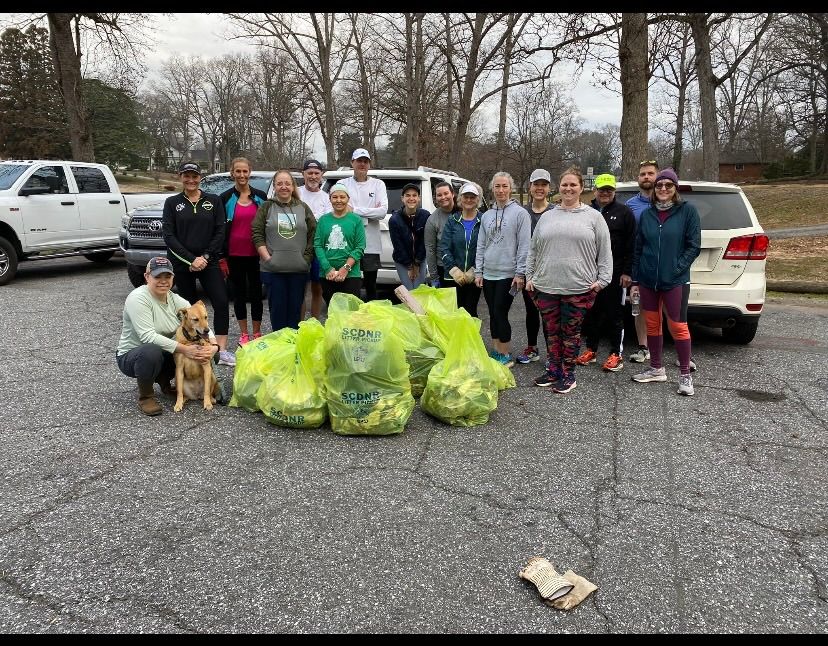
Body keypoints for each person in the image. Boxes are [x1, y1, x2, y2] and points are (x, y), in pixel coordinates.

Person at [526, 167, 612, 394]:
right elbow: (533, 250)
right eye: (564, 184)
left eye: (573, 184)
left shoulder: (594, 217)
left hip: (578, 286)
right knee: (551, 332)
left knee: (571, 334)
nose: (568, 188)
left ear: (582, 188)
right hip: (546, 285)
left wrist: (603, 280)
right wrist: (529, 276)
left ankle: (568, 374)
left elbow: (604, 252)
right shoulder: (547, 216)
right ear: (559, 187)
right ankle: (553, 370)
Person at [630, 167, 701, 396]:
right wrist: (636, 279)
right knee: (652, 324)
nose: (662, 189)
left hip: (675, 281)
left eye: (668, 185)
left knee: (678, 326)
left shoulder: (687, 211)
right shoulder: (648, 214)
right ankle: (656, 369)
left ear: (675, 188)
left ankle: (685, 375)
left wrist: (676, 269)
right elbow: (639, 248)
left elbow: (693, 246)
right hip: (649, 280)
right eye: (659, 185)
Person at [116, 256, 217, 416]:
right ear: (147, 277)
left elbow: (198, 319)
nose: (163, 281)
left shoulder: (174, 298)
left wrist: (213, 346)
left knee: (207, 354)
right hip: (133, 355)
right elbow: (147, 336)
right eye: (157, 276)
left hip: (164, 350)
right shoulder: (138, 298)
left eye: (167, 276)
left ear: (172, 278)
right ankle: (146, 397)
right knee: (151, 352)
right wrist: (185, 349)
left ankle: (165, 383)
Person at [161, 161, 234, 366]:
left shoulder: (213, 201)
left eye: (194, 176)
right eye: (187, 176)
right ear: (180, 177)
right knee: (188, 307)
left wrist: (205, 257)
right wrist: (191, 259)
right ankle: (193, 349)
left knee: (220, 301)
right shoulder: (172, 202)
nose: (191, 180)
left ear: (200, 177)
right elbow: (169, 236)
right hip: (183, 263)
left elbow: (220, 231)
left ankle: (220, 350)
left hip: (208, 261)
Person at [576, 173, 636, 372]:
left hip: (615, 272)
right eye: (602, 189)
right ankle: (591, 350)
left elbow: (632, 245)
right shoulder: (586, 211)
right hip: (588, 272)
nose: (605, 193)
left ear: (614, 191)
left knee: (614, 314)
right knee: (591, 313)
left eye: (609, 190)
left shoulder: (624, 213)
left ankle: (615, 353)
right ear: (595, 191)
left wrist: (627, 272)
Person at [474, 171, 531, 368]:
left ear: (511, 188)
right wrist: (478, 271)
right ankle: (496, 349)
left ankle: (505, 354)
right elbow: (481, 244)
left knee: (500, 312)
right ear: (492, 189)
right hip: (488, 272)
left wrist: (520, 273)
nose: (501, 190)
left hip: (508, 273)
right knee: (492, 312)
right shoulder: (487, 215)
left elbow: (525, 244)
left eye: (504, 186)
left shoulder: (520, 214)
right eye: (497, 186)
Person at [252, 169, 316, 331]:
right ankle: (280, 349)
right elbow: (257, 233)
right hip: (273, 270)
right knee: (277, 312)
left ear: (293, 186)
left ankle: (293, 348)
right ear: (274, 186)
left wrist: (306, 259)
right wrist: (268, 258)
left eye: (287, 183)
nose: (284, 187)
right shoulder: (267, 207)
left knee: (295, 313)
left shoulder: (303, 207)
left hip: (298, 270)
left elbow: (313, 234)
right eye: (279, 183)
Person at [219, 157, 268, 348]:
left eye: (244, 171)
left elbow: (267, 225)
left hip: (257, 255)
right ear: (232, 173)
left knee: (256, 295)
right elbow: (220, 229)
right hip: (234, 255)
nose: (241, 175)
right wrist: (221, 256)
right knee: (238, 295)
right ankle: (244, 334)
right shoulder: (224, 198)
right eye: (237, 171)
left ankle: (256, 332)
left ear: (250, 172)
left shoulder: (260, 197)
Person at [515, 169, 555, 365]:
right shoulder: (522, 212)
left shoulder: (556, 211)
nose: (539, 188)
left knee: (549, 314)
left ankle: (552, 354)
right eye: (536, 184)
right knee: (531, 312)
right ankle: (532, 348)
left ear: (549, 188)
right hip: (528, 271)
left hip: (550, 271)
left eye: (543, 185)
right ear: (529, 187)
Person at [341, 148, 388, 301]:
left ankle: (371, 317)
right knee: (349, 283)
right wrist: (370, 211)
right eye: (359, 161)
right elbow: (340, 208)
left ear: (369, 164)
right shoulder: (343, 183)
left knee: (370, 284)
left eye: (365, 161)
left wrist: (354, 209)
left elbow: (381, 212)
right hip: (348, 242)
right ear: (352, 163)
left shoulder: (378, 184)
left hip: (370, 243)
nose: (362, 164)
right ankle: (349, 316)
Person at [624, 160, 658, 365]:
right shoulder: (630, 205)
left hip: (664, 266)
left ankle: (682, 351)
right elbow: (628, 239)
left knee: (669, 311)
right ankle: (643, 347)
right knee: (640, 307)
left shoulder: (667, 201)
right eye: (643, 174)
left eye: (650, 173)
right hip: (639, 267)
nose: (646, 177)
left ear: (658, 176)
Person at [313, 183, 366, 304]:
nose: (339, 200)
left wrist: (345, 269)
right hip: (327, 274)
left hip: (351, 274)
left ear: (348, 199)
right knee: (332, 312)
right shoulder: (323, 220)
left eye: (342, 197)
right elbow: (318, 245)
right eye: (335, 197)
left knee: (350, 313)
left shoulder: (356, 220)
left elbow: (359, 247)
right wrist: (327, 268)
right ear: (330, 199)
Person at [439, 182, 484, 317]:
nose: (469, 200)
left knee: (470, 313)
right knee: (454, 315)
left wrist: (474, 270)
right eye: (466, 196)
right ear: (460, 199)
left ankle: (470, 338)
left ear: (478, 199)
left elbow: (487, 248)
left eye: (472, 197)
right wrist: (454, 270)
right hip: (452, 277)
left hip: (474, 277)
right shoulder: (453, 220)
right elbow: (444, 247)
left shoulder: (484, 220)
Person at [298, 159, 332, 320]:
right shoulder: (296, 193)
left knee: (317, 288)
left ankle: (315, 323)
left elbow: (325, 222)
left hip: (319, 248)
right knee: (301, 288)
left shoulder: (327, 198)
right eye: (309, 173)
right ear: (303, 174)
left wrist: (308, 217)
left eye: (316, 173)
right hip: (299, 247)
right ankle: (300, 326)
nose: (313, 177)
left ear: (321, 175)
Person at [389, 182, 429, 290]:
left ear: (419, 198)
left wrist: (416, 264)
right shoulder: (394, 220)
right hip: (402, 260)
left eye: (414, 195)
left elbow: (424, 242)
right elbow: (398, 246)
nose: (411, 198)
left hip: (420, 259)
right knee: (409, 290)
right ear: (402, 198)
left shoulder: (425, 216)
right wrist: (409, 266)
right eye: (407, 195)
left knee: (419, 289)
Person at [425, 181, 458, 287]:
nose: (443, 197)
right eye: (439, 195)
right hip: (444, 269)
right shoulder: (432, 220)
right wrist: (434, 277)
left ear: (452, 194)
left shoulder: (464, 212)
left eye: (446, 193)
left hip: (464, 267)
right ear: (435, 198)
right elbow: (430, 249)